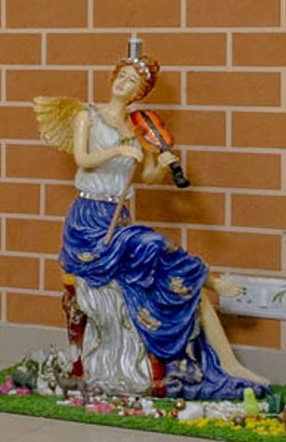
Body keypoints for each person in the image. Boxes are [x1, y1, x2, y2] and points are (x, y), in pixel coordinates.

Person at [33, 42, 258, 398]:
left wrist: (165, 166)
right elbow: (83, 158)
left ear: (140, 92)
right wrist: (118, 149)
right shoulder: (87, 115)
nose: (123, 83)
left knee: (165, 269)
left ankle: (229, 362)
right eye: (121, 76)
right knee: (150, 242)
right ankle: (211, 279)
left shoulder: (140, 128)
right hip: (90, 221)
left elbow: (147, 177)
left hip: (118, 217)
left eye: (132, 81)